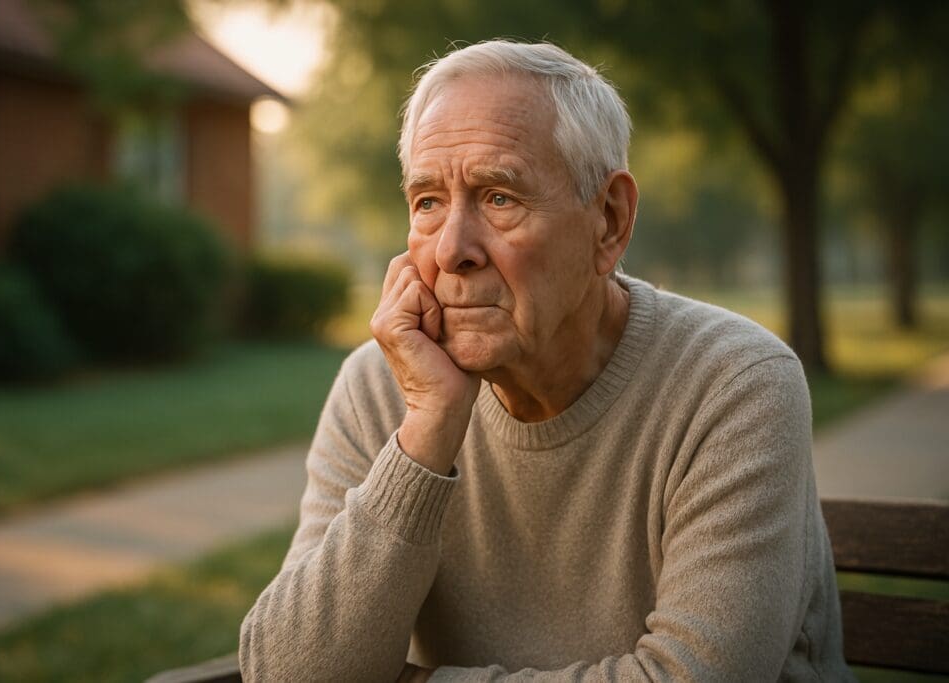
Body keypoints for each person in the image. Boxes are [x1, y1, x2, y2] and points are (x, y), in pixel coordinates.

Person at [240, 40, 852, 682]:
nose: (452, 250)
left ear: (610, 221)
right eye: (427, 202)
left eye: (499, 197)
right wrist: (425, 434)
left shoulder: (735, 386)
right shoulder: (378, 387)